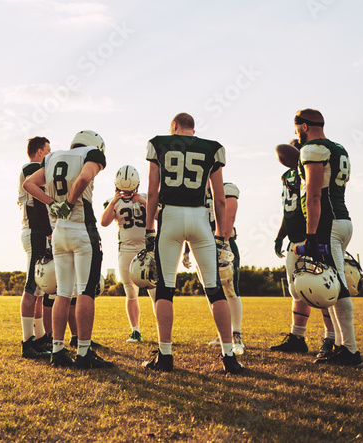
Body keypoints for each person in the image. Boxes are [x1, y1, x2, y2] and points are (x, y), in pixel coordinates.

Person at [141, 113, 243, 374]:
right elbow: (219, 199)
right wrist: (221, 236)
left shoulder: (158, 143)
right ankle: (229, 356)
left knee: (165, 288)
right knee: (214, 289)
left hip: (171, 216)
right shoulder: (212, 148)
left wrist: (149, 228)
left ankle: (165, 356)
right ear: (193, 129)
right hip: (200, 217)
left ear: (174, 127)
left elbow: (153, 191)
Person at [22, 130, 113, 370]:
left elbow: (29, 184)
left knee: (62, 292)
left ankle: (58, 350)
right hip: (82, 228)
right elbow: (83, 178)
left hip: (59, 232)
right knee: (85, 291)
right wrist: (69, 204)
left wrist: (52, 203)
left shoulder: (53, 158)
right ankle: (83, 352)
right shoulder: (91, 155)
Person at [294, 109, 361, 366]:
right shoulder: (338, 148)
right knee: (335, 283)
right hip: (343, 220)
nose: (295, 132)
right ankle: (345, 347)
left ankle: (350, 350)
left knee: (337, 287)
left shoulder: (313, 149)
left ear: (305, 126)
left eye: (296, 126)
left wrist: (311, 234)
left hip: (328, 224)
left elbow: (314, 195)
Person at [269, 140, 339, 358]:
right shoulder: (288, 176)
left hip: (313, 236)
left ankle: (332, 338)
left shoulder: (310, 170)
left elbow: (280, 149)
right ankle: (297, 337)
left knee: (322, 288)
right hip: (295, 238)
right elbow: (287, 208)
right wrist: (281, 235)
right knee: (297, 289)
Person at [185, 181, 243, 354]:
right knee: (212, 290)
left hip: (222, 244)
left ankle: (237, 334)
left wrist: (222, 243)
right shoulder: (196, 191)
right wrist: (187, 250)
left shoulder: (227, 188)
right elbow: (191, 223)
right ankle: (223, 333)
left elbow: (230, 216)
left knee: (231, 289)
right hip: (201, 246)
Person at [100, 165, 149, 343]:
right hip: (126, 250)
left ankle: (162, 331)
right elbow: (104, 222)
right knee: (130, 292)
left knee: (156, 292)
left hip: (147, 248)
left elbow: (160, 216)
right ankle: (135, 330)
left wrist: (143, 202)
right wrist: (113, 201)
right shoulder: (113, 201)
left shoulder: (146, 198)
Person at [18, 136, 53, 359]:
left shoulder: (36, 167)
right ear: (40, 152)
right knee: (32, 286)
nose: (50, 154)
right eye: (48, 151)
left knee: (39, 289)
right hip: (35, 232)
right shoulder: (32, 167)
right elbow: (39, 206)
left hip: (40, 232)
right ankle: (27, 341)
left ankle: (39, 338)